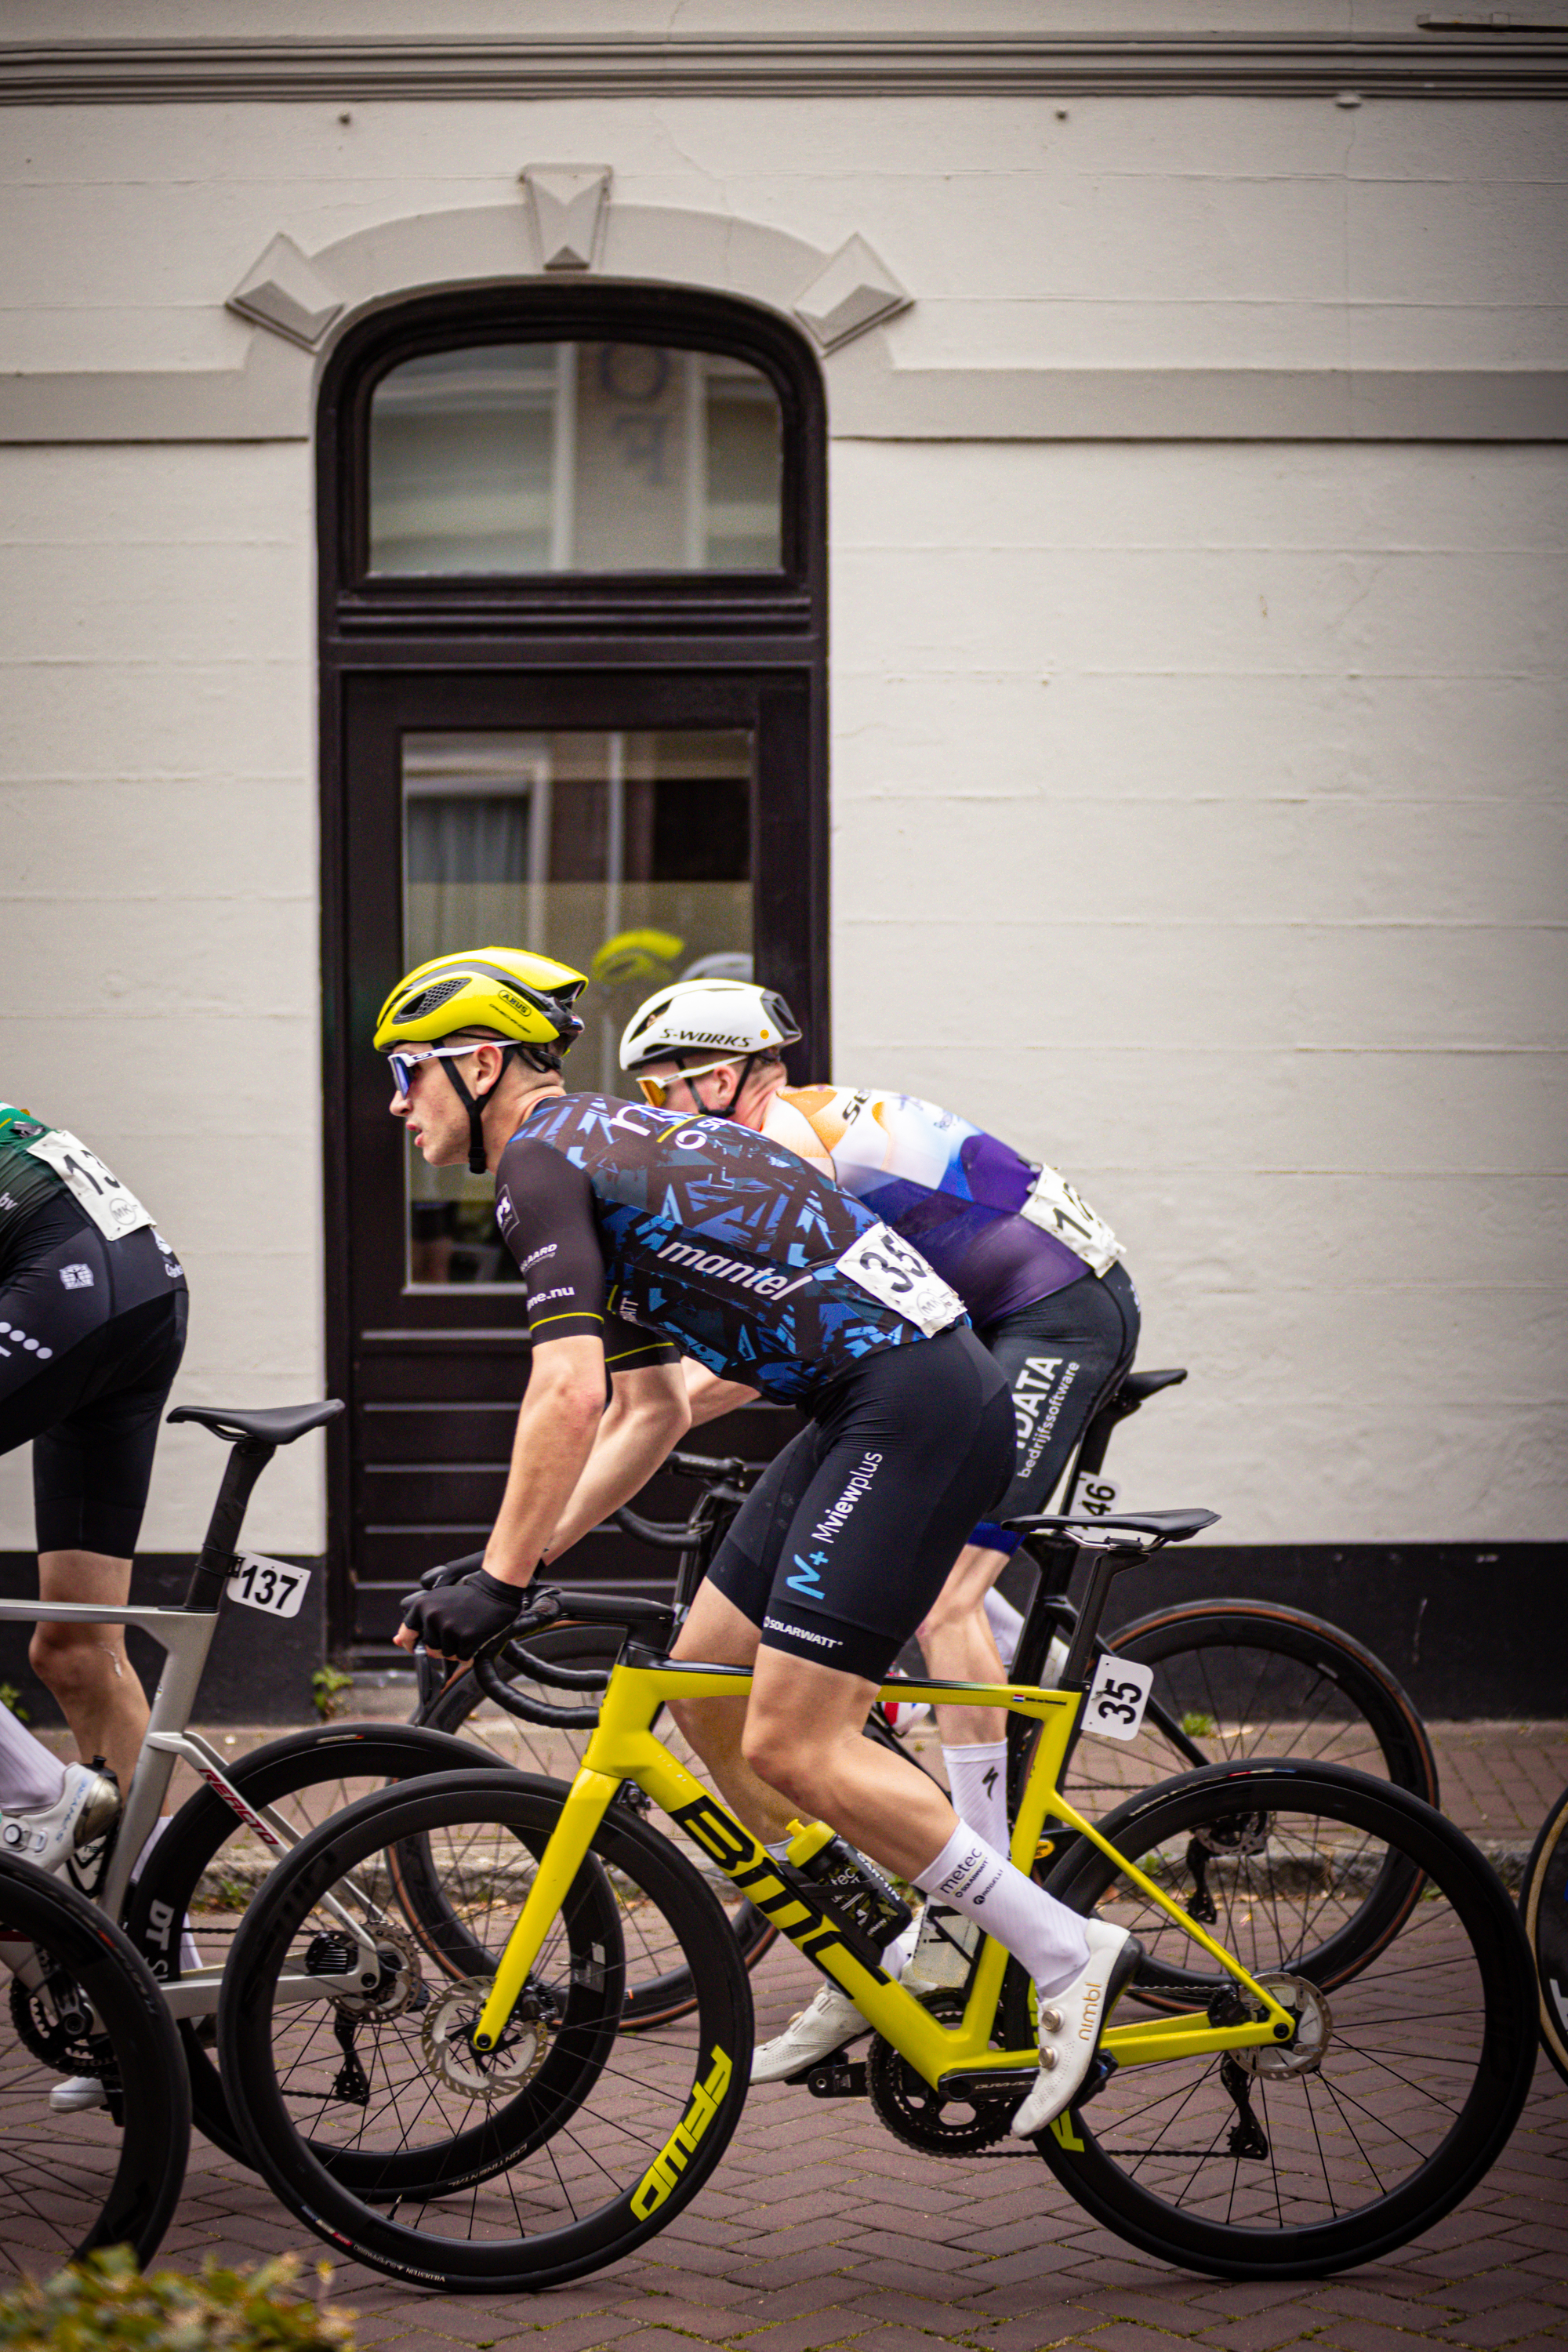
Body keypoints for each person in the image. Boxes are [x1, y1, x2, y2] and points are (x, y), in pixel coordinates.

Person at [379, 946, 1139, 2137]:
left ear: (481, 1065)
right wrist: (518, 1568)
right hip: (869, 1402)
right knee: (707, 1684)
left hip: (920, 1402)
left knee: (795, 1738)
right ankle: (881, 1947)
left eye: (408, 1072)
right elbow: (648, 1412)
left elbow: (563, 1397)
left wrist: (499, 1574)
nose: (395, 1102)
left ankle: (1060, 1948)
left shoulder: (541, 1157)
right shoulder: (593, 1149)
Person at [615, 977, 1141, 2080]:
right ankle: (886, 1916)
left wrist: (642, 1417)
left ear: (736, 1077)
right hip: (957, 1339)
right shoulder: (764, 1145)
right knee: (713, 1668)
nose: (663, 1113)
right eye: (648, 1095)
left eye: (674, 1088)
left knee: (946, 1592)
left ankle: (981, 1905)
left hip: (1054, 1315)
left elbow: (766, 1358)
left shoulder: (793, 1149)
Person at [0, 1101, 188, 2108]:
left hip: (65, 1280)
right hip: (133, 1286)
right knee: (75, 1653)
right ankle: (155, 1988)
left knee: (78, 1659)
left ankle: (40, 1799)